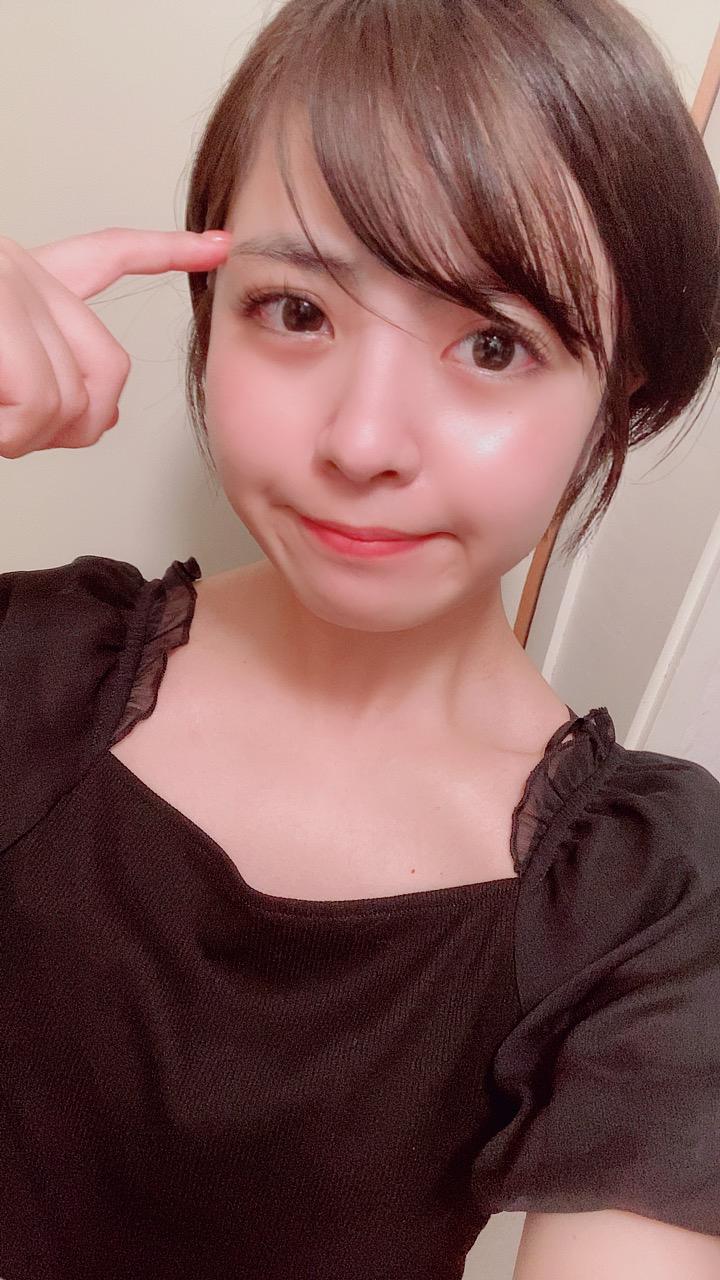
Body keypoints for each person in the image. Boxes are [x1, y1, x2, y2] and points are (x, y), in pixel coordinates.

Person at [1, 0, 719, 1275]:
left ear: (621, 388)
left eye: (492, 342)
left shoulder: (645, 900)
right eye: (295, 311)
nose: (363, 441)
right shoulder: (30, 664)